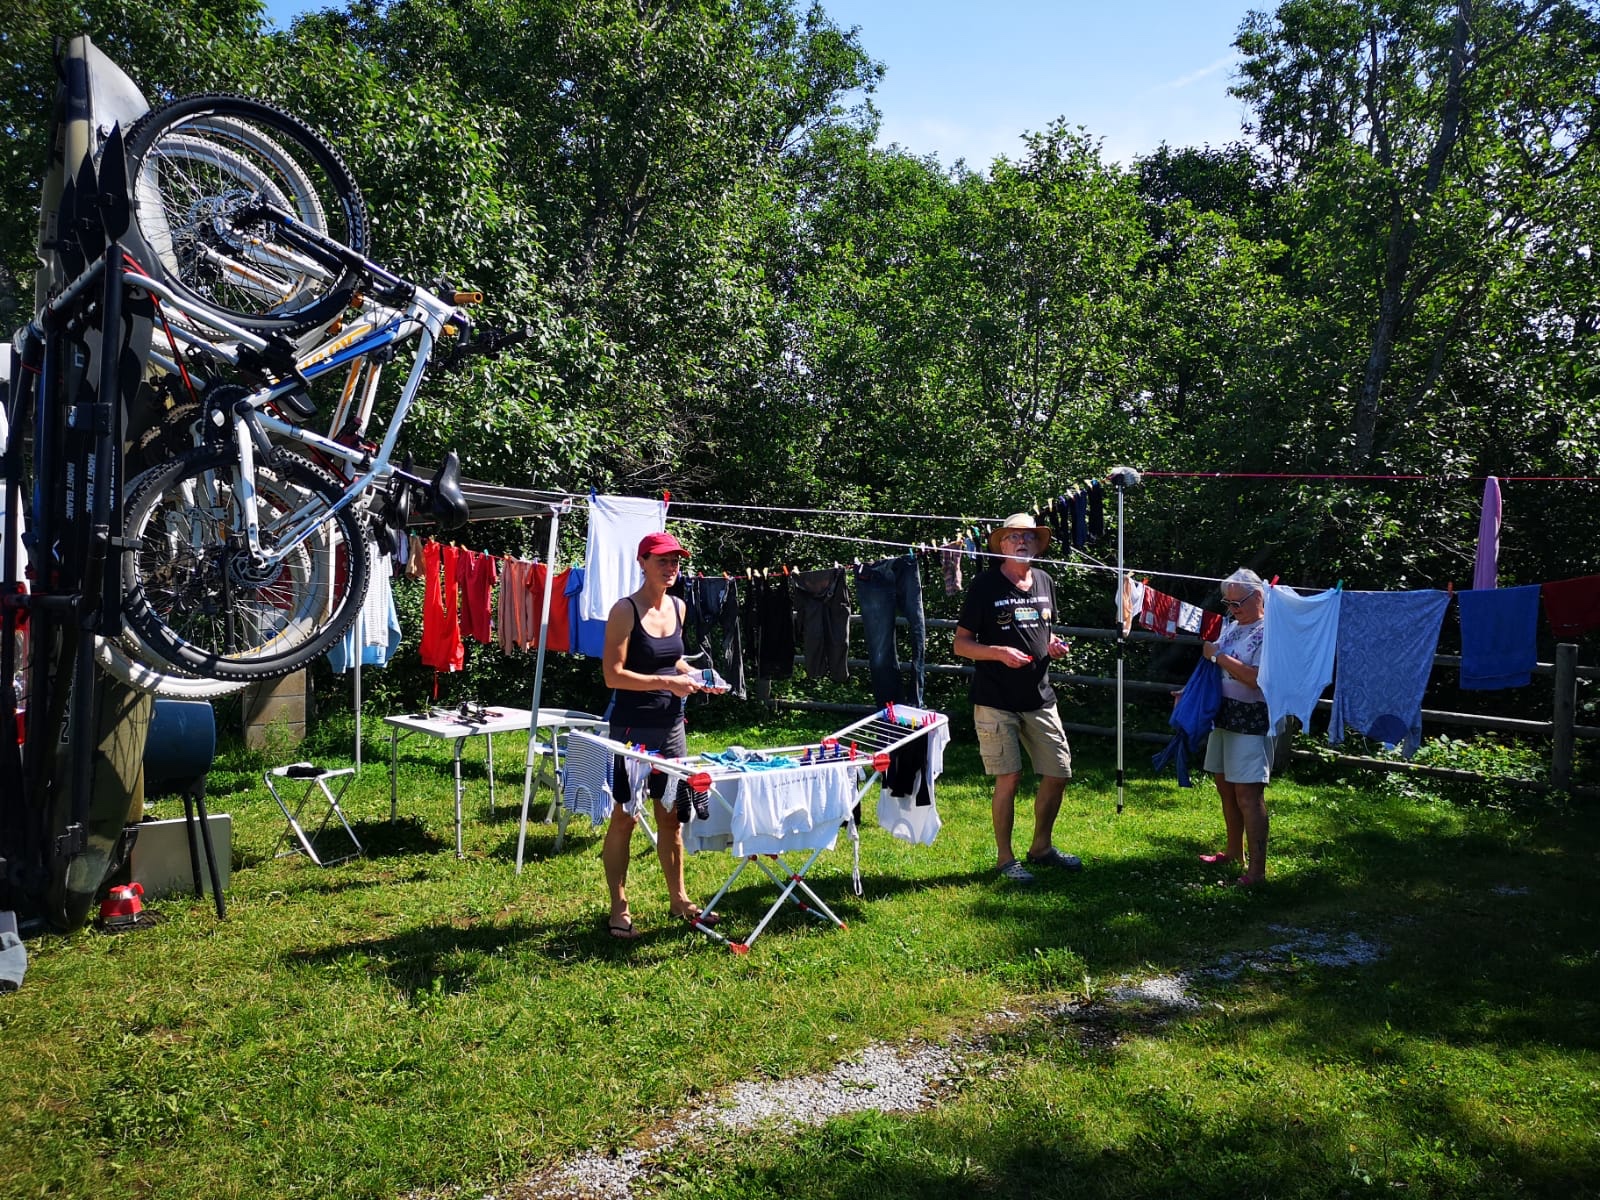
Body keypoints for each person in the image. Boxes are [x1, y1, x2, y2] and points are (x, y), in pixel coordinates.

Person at [599, 531, 716, 938]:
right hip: (633, 730)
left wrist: (698, 676)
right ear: (643, 562)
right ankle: (619, 906)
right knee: (625, 818)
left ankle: (679, 898)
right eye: (662, 560)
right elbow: (613, 675)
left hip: (672, 729)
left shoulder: (678, 606)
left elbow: (672, 660)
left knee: (672, 818)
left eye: (676, 561)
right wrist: (667, 683)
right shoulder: (625, 610)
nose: (671, 568)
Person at [953, 512, 1080, 884]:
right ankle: (1005, 859)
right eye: (1013, 537)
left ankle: (1041, 848)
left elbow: (1045, 629)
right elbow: (961, 645)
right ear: (1001, 545)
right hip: (995, 699)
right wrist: (998, 653)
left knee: (1059, 771)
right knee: (1009, 777)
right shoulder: (985, 586)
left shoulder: (1044, 581)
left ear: (1038, 545)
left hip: (1039, 696)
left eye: (1028, 537)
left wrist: (1054, 645)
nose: (1021, 542)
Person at [1198, 567, 1273, 887]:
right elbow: (1216, 672)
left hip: (1252, 719)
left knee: (1248, 794)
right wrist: (1190, 693)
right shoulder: (1231, 626)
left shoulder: (1270, 632)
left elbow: (1256, 678)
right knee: (1225, 786)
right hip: (1223, 715)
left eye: (1237, 602)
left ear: (1258, 597)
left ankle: (1257, 871)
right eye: (1228, 603)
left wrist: (1218, 657)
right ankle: (1233, 852)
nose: (1232, 609)